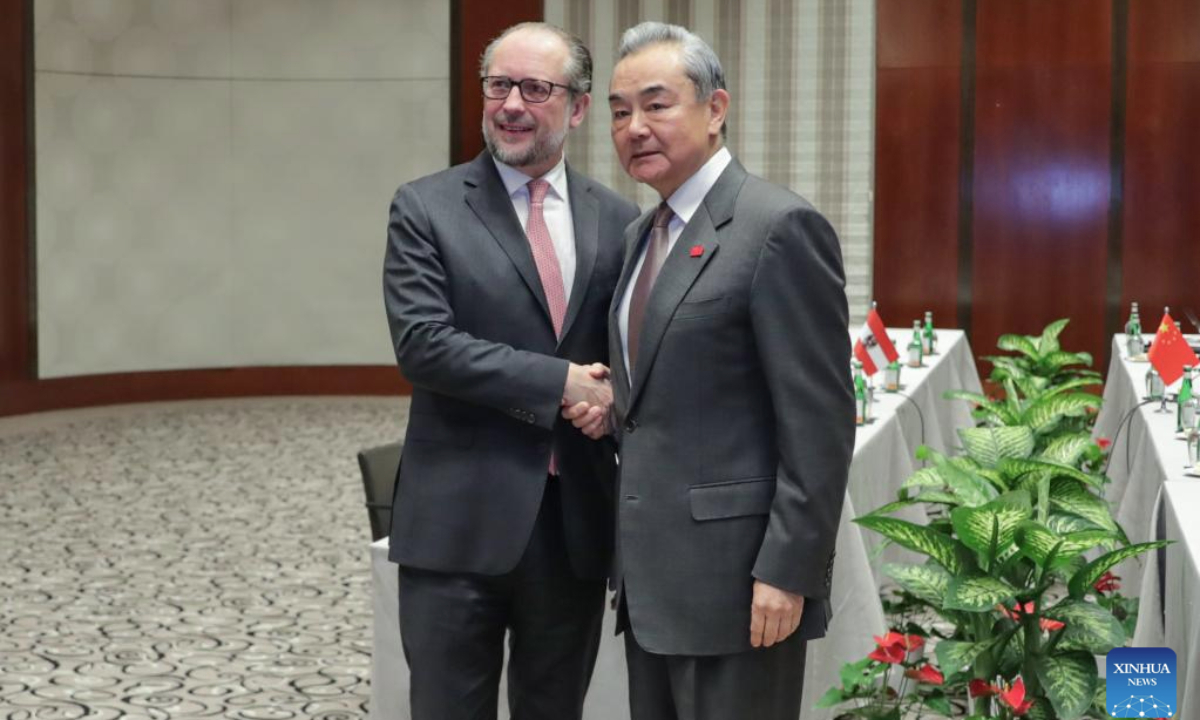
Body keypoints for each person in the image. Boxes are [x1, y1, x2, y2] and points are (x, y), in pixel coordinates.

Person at [564, 21, 855, 720]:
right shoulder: (643, 235)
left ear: (715, 109)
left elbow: (819, 422)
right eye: (619, 109)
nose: (635, 126)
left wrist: (787, 572)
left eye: (657, 104)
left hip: (739, 583)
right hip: (652, 579)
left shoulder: (776, 228)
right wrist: (613, 407)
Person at [382, 22, 639, 720]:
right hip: (459, 520)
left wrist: (610, 394)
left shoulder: (619, 220)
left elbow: (628, 348)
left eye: (536, 88)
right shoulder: (426, 207)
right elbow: (424, 345)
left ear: (579, 107)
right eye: (499, 85)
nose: (512, 104)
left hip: (573, 525)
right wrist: (562, 384)